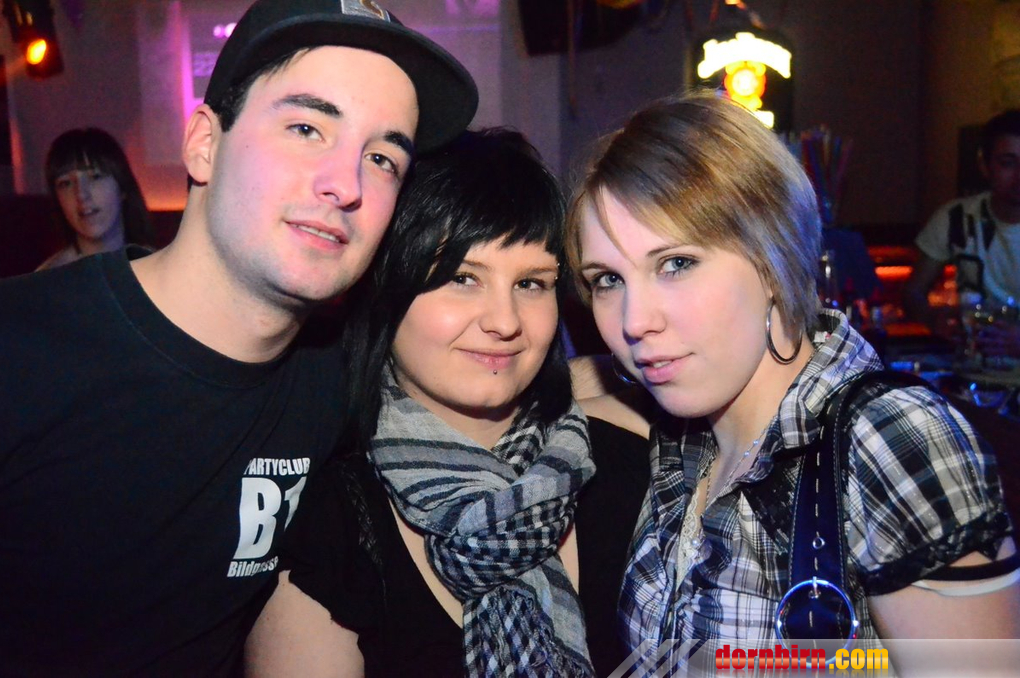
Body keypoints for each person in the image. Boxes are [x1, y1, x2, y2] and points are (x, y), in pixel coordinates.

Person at [0, 0, 476, 675]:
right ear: (204, 144)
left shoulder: (337, 376)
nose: (345, 185)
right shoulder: (18, 351)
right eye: (306, 127)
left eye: (381, 158)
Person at [565, 92, 1020, 671]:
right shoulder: (685, 427)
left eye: (676, 263)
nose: (634, 322)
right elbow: (569, 385)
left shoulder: (891, 437)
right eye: (607, 279)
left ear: (772, 258)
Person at [244, 129, 649, 678]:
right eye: (462, 277)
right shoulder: (332, 530)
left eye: (531, 283)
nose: (504, 321)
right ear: (386, 288)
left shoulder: (636, 465)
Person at [904, 109, 1020, 357]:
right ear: (985, 166)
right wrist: (934, 319)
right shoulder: (956, 217)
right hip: (969, 369)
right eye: (1008, 163)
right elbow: (912, 293)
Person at [36, 127, 155, 271]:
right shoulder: (48, 277)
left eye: (95, 177)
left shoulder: (161, 268)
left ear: (122, 186)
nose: (81, 194)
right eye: (66, 183)